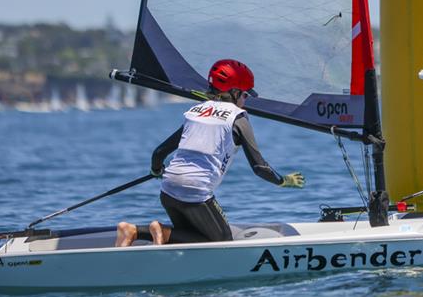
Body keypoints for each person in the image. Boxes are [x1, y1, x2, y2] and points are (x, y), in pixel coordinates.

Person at [115, 59, 305, 246]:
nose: (245, 101)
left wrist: (156, 170)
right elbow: (259, 167)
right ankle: (151, 231)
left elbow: (159, 153)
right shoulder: (238, 118)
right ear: (235, 92)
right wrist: (284, 181)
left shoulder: (196, 111)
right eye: (245, 95)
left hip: (168, 190)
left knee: (191, 237)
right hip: (195, 192)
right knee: (221, 242)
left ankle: (133, 230)